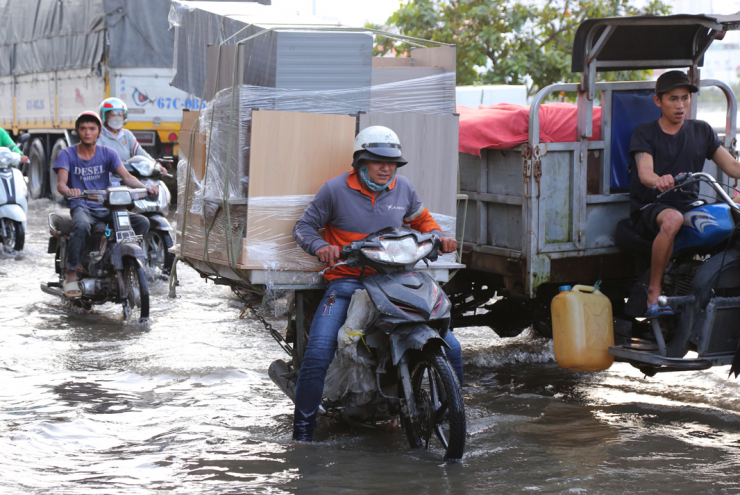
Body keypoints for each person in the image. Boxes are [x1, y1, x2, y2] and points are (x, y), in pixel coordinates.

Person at [291, 126, 463, 441]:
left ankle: (454, 420)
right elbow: (303, 227)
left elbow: (424, 223)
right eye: (377, 161)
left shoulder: (403, 189)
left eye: (393, 163)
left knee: (451, 347)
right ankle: (302, 435)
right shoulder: (334, 190)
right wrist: (320, 247)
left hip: (396, 281)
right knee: (318, 351)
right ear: (361, 161)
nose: (386, 168)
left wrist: (439, 238)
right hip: (348, 283)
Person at [629, 70, 740, 317]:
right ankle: (654, 292)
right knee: (673, 219)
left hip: (691, 204)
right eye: (673, 99)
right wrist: (659, 180)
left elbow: (733, 167)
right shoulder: (645, 132)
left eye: (685, 99)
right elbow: (644, 172)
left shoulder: (702, 130)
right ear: (658, 101)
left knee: (733, 214)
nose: (680, 105)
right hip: (652, 205)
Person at [53, 111, 158, 298]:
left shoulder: (108, 153)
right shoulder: (67, 154)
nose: (87, 132)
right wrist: (70, 191)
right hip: (83, 206)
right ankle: (71, 274)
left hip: (107, 207)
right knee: (82, 225)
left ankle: (119, 259)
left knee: (142, 223)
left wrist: (146, 187)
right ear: (78, 131)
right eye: (83, 128)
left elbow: (127, 177)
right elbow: (61, 183)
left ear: (99, 132)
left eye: (92, 128)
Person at [96, 97, 167, 174]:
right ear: (104, 116)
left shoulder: (127, 134)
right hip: (106, 178)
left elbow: (140, 152)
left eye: (120, 114)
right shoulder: (98, 135)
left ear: (124, 116)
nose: (117, 118)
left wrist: (156, 165)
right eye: (112, 115)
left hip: (126, 177)